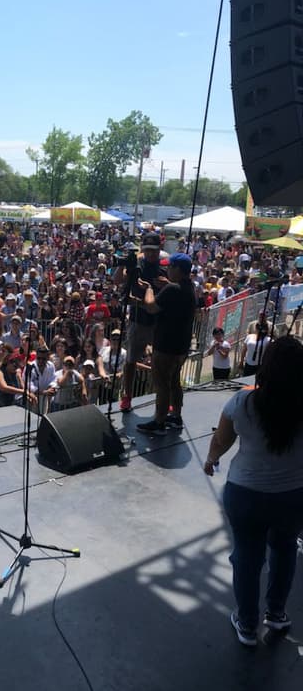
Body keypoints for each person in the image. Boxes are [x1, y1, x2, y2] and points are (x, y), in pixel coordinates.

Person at [203, 337, 303, 647]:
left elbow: (221, 441)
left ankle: (247, 625)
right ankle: (276, 613)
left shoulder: (242, 402)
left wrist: (211, 459)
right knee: (285, 550)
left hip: (246, 494)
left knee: (247, 558)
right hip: (293, 495)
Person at [135, 253, 197, 433]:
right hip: (181, 346)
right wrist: (167, 285)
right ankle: (176, 416)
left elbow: (151, 306)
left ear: (178, 269)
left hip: (166, 346)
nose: (167, 269)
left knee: (161, 384)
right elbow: (176, 294)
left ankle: (159, 422)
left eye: (169, 267)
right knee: (174, 381)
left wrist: (148, 290)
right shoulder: (188, 287)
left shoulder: (172, 290)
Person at [116, 234, 163, 411]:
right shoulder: (136, 264)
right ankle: (127, 396)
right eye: (147, 251)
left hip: (158, 322)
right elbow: (118, 281)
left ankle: (163, 395)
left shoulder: (164, 266)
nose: (151, 254)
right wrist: (122, 264)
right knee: (130, 361)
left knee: (161, 361)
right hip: (138, 320)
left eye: (154, 251)